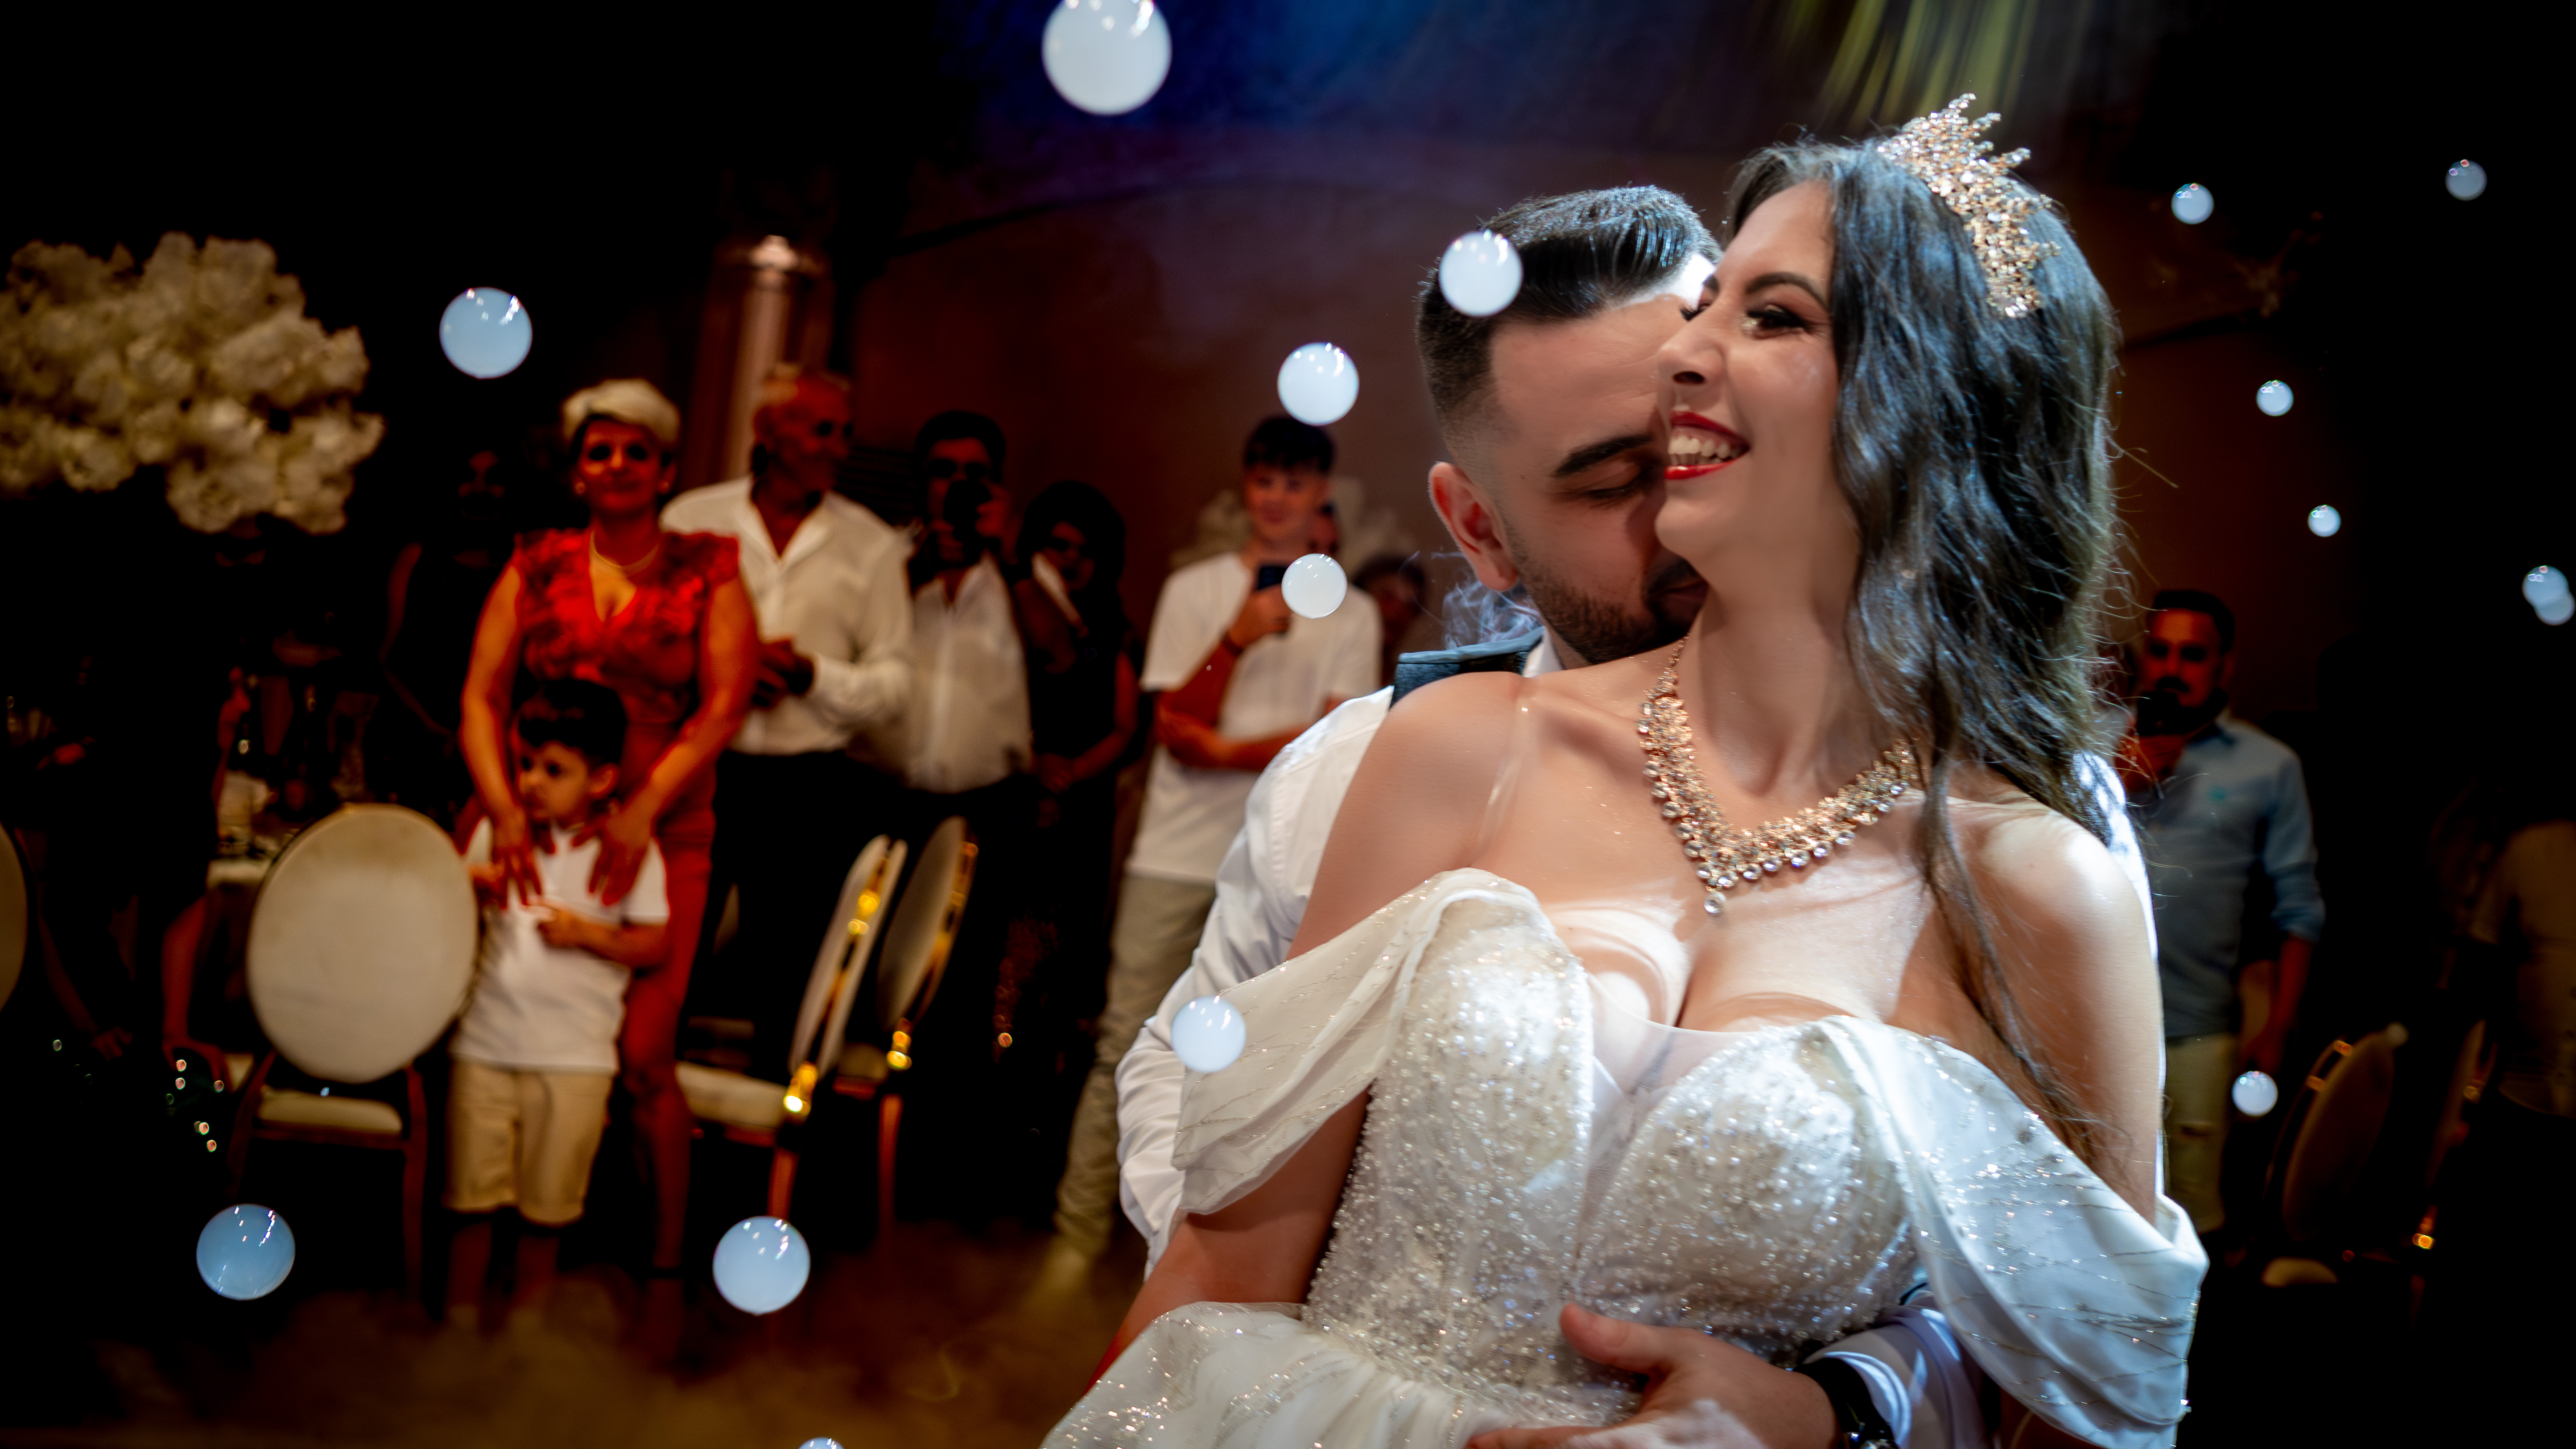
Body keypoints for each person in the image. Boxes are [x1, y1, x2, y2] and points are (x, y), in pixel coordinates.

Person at [1052, 104, 2202, 1449]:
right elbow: (1211, 1262)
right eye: (1606, 482)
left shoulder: (2039, 867)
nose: (1684, 363)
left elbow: (2078, 1397)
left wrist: (1837, 1418)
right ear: (1480, 530)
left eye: (1766, 315)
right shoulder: (1433, 751)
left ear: (1931, 404)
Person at [1047, 417, 1380, 1262]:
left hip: (1283, 866)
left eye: (1295, 483)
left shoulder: (1353, 611)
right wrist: (1235, 638)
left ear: (1321, 494)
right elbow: (1171, 722)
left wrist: (1225, 751)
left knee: (1264, 1063)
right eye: (1265, 480)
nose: (1278, 498)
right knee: (1123, 1043)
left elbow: (1330, 744)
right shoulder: (1195, 588)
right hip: (1174, 850)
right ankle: (1073, 1248)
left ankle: (1201, 1262)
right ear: (1245, 485)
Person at [457, 378, 756, 1279]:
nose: (617, 464)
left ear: (666, 471)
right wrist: (503, 808)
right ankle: (479, 1241)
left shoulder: (708, 565)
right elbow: (482, 694)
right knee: (484, 1016)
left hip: (662, 829)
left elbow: (725, 703)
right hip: (532, 819)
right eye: (600, 451)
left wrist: (640, 807)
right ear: (578, 472)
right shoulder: (537, 560)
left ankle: (661, 1265)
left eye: (637, 451)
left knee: (643, 1053)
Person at [660, 368, 912, 1074]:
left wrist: (811, 675)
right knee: (672, 961)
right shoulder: (691, 521)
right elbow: (649, 646)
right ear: (768, 433)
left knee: (788, 982)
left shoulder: (871, 545)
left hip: (809, 789)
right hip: (701, 771)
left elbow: (896, 684)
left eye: (845, 433)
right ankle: (643, 1119)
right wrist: (729, 668)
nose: (839, 449)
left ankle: (769, 1128)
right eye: (821, 430)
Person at [446, 679, 670, 1329]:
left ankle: (525, 1336)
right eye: (524, 765)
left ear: (601, 779)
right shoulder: (498, 833)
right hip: (484, 1048)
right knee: (470, 1205)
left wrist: (587, 933)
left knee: (545, 1215)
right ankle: (457, 1330)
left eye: (553, 770)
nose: (530, 783)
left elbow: (655, 941)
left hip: (574, 1061)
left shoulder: (628, 850)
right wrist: (469, 886)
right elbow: (443, 914)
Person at [2119, 588, 2323, 1236]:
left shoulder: (2270, 766)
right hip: (2095, 1016)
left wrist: (2279, 1026)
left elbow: (2299, 906)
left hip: (2200, 1031)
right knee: (2099, 1207)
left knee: (2191, 1213)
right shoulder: (2091, 745)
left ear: (2224, 666)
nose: (2172, 668)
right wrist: (2113, 785)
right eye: (2160, 650)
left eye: (2193, 655)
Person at [378, 441, 517, 827]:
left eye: (493, 479)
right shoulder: (417, 560)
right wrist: (433, 729)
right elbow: (386, 660)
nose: (480, 490)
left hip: (498, 761)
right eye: (468, 478)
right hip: (414, 751)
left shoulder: (522, 569)